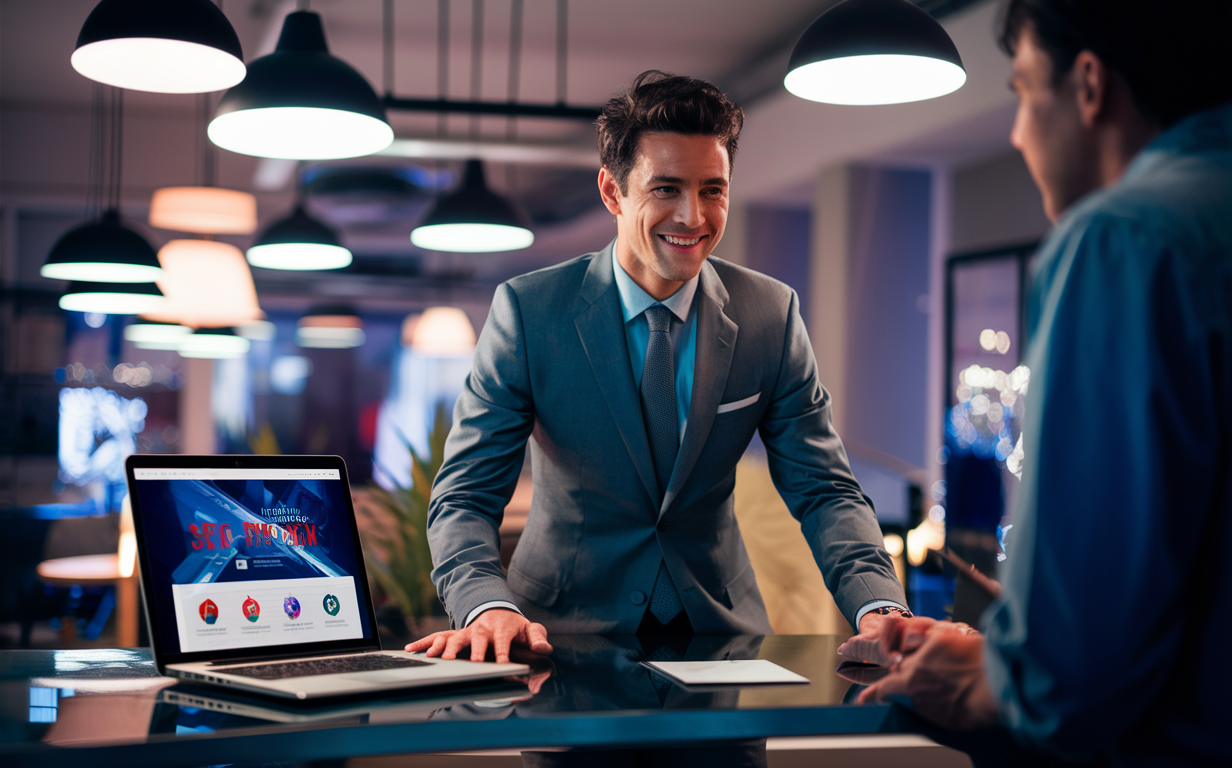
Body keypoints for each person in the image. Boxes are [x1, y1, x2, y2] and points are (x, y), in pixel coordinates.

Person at [408, 70, 907, 662]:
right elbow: (465, 496)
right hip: (562, 636)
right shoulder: (529, 312)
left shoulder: (770, 315)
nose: (693, 217)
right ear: (613, 192)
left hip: (721, 636)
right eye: (665, 189)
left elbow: (824, 489)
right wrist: (486, 604)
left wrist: (881, 609)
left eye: (712, 190)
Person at [852, 1, 1232, 765]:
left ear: (1089, 86)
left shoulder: (1121, 242)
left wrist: (996, 676)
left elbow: (1072, 678)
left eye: (1023, 91)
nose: (1018, 131)